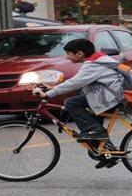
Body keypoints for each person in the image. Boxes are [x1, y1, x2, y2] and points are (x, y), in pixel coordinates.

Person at [33, 38, 124, 169]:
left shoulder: (93, 65)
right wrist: (51, 88)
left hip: (110, 98)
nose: (67, 57)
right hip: (110, 96)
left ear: (79, 54)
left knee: (71, 103)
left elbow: (75, 83)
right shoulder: (98, 60)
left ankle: (96, 132)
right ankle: (106, 152)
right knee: (87, 117)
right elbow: (78, 80)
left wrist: (48, 94)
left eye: (69, 53)